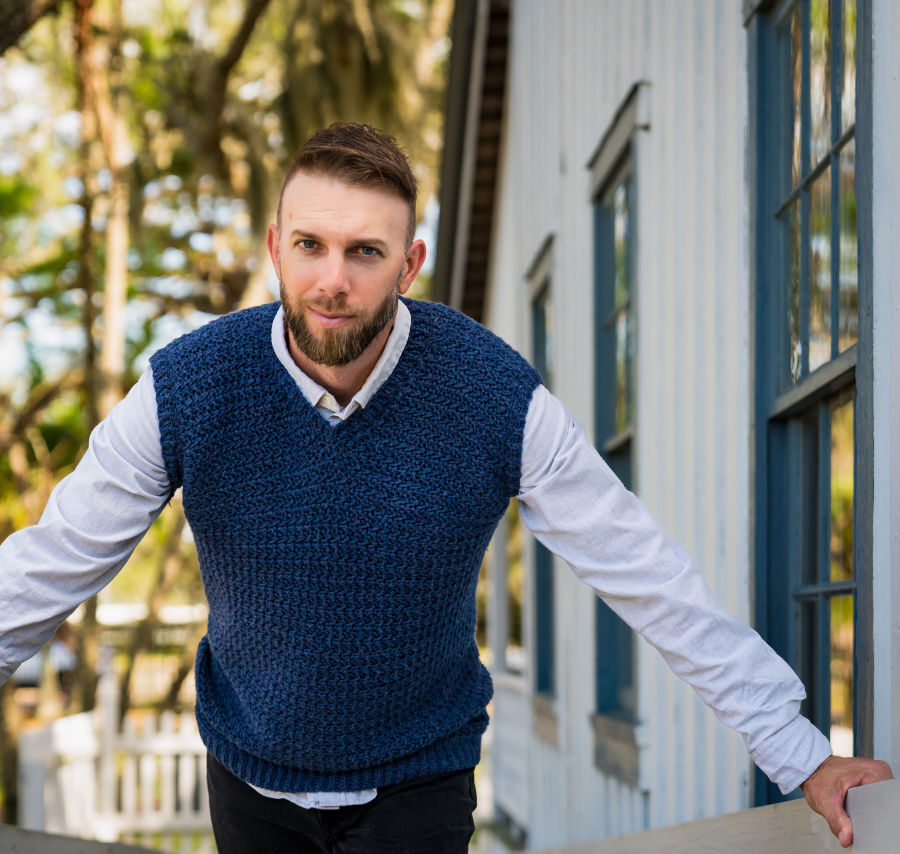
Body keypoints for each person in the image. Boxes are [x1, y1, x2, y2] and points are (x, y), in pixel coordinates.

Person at [0, 122, 891, 853]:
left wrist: (801, 755)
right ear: (276, 245)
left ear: (410, 263)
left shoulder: (490, 395)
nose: (331, 281)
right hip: (250, 779)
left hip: (418, 785)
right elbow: (55, 560)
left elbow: (645, 572)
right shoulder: (189, 388)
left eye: (365, 251)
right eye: (308, 245)